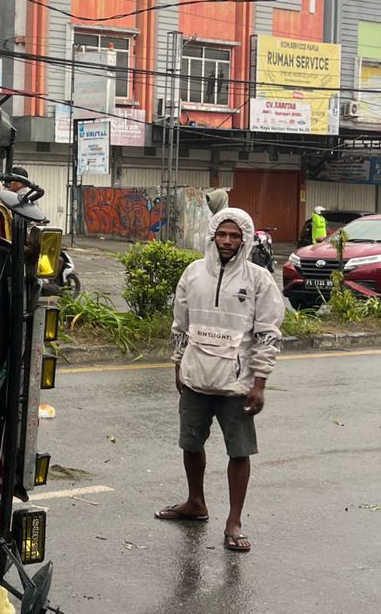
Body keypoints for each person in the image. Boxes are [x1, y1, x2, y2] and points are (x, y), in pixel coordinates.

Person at [155, 207, 283, 553]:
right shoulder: (194, 273)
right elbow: (180, 325)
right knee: (190, 444)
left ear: (244, 239)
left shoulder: (258, 280)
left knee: (239, 452)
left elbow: (267, 334)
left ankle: (234, 521)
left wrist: (260, 382)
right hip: (196, 378)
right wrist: (178, 364)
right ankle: (195, 502)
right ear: (213, 236)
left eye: (234, 236)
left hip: (236, 385)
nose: (227, 241)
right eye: (222, 235)